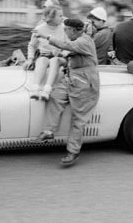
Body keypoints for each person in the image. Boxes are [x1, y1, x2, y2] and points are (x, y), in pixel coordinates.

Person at [34, 18, 100, 167]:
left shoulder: (84, 41)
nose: (64, 31)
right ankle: (49, 131)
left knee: (78, 118)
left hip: (85, 84)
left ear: (75, 30)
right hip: (72, 78)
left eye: (66, 29)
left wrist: (46, 37)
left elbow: (67, 46)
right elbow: (65, 53)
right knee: (55, 95)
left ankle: (73, 151)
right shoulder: (77, 42)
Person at [24, 5, 67, 101]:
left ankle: (47, 90)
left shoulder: (64, 29)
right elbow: (32, 45)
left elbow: (69, 46)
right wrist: (30, 59)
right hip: (44, 56)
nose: (62, 18)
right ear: (51, 17)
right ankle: (35, 89)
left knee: (55, 61)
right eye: (60, 16)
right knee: (42, 60)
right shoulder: (39, 29)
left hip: (59, 57)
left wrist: (62, 53)